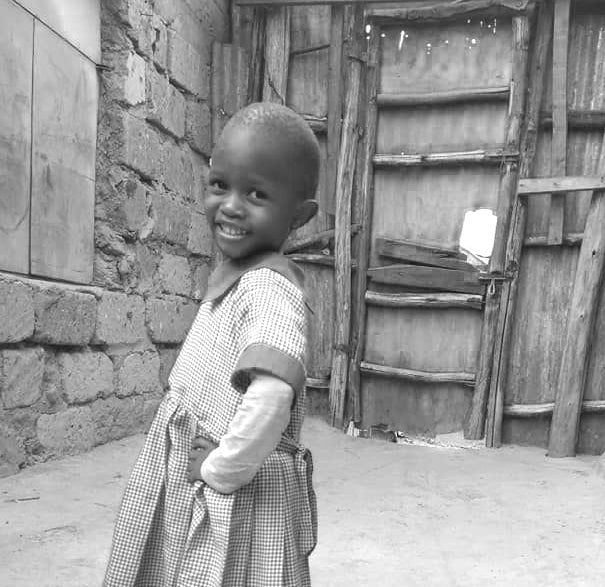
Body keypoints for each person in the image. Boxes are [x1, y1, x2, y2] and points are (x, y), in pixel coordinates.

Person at [103, 101, 320, 587]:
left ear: (299, 216)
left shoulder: (269, 288)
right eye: (220, 184)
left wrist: (221, 469)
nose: (231, 205)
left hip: (235, 496)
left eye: (257, 193)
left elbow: (271, 398)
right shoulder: (241, 274)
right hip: (207, 478)